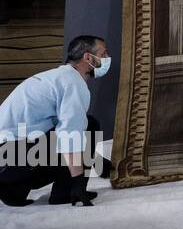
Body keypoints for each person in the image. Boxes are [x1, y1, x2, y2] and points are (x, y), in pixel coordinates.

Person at [0, 35, 108, 207]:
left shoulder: (55, 77)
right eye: (103, 54)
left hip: (7, 159)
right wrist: (78, 182)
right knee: (89, 125)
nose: (107, 59)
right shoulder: (73, 83)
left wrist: (97, 161)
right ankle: (67, 192)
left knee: (71, 130)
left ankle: (13, 190)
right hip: (13, 160)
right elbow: (70, 135)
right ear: (88, 58)